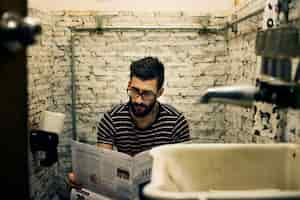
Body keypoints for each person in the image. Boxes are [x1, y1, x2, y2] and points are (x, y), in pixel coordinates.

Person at [68, 56, 191, 187]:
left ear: (160, 93)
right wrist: (85, 180)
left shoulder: (176, 122)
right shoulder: (111, 120)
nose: (138, 100)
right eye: (134, 91)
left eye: (147, 94)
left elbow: (182, 171)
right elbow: (102, 167)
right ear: (129, 85)